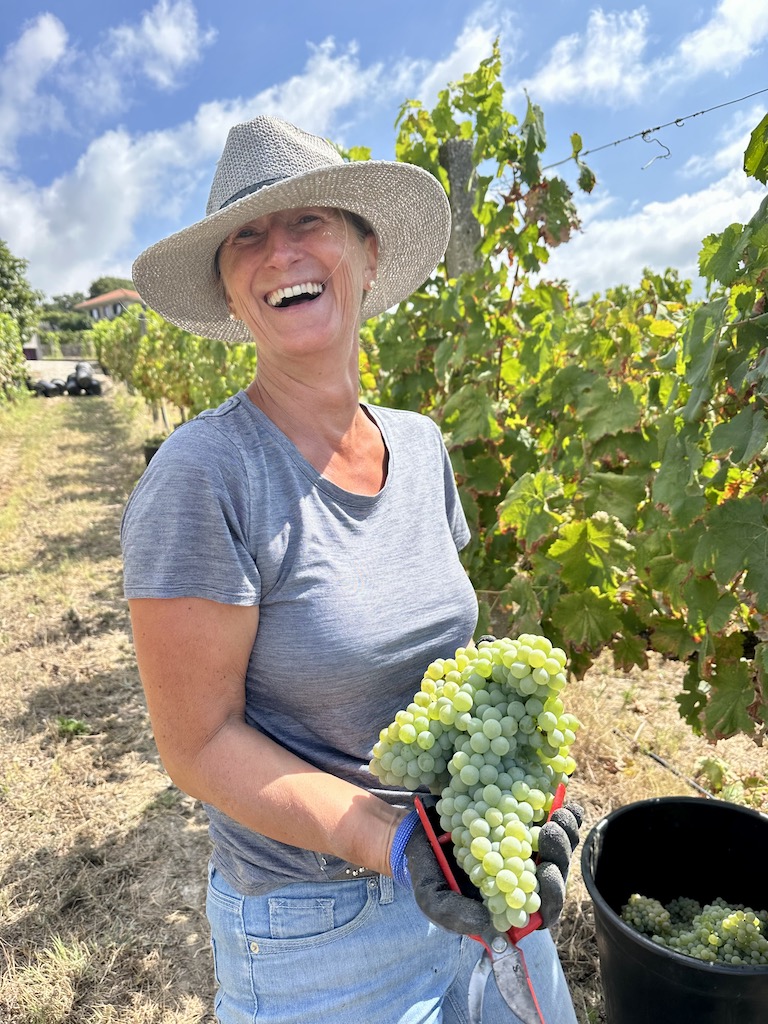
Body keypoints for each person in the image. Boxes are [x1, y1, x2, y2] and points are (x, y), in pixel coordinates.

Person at [122, 115, 581, 1024]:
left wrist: (524, 784)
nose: (278, 252)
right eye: (245, 235)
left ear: (368, 255)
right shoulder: (206, 475)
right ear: (228, 292)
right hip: (319, 933)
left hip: (467, 880)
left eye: (309, 222)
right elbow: (198, 744)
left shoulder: (420, 445)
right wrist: (398, 840)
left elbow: (453, 662)